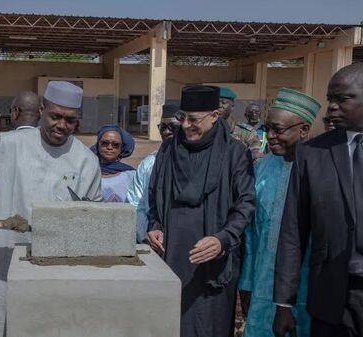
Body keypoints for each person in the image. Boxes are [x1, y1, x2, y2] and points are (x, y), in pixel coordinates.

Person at [0, 80, 102, 337]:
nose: (61, 125)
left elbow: (94, 218)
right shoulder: (9, 144)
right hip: (2, 261)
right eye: (55, 116)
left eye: (70, 120)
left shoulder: (86, 161)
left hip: (54, 269)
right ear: (42, 109)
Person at [146, 85, 255, 337]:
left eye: (194, 119)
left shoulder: (234, 152)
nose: (185, 125)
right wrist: (155, 225)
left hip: (213, 260)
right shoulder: (168, 150)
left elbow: (246, 203)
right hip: (172, 254)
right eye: (182, 117)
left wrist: (223, 238)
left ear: (215, 116)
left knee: (209, 326)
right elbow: (154, 195)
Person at [273, 63, 363, 337]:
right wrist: (283, 303)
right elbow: (292, 232)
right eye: (330, 99)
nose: (332, 107)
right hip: (332, 298)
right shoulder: (312, 153)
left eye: (342, 98)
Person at [238, 88, 321, 337]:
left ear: (303, 130)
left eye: (278, 130)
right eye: (267, 128)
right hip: (263, 283)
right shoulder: (260, 169)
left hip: (308, 287)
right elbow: (252, 235)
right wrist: (247, 284)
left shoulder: (322, 170)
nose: (270, 136)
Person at [127, 104, 180, 242]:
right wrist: (145, 235)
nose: (167, 132)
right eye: (162, 127)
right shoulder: (149, 163)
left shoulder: (196, 162)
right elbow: (135, 204)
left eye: (173, 127)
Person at [91, 124, 135, 202]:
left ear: (121, 148)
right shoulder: (88, 173)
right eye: (104, 143)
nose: (110, 147)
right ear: (98, 145)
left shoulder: (132, 176)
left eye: (115, 144)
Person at [219, 87, 262, 158]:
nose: (219, 106)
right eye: (216, 103)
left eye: (223, 103)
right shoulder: (206, 131)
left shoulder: (247, 133)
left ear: (232, 106)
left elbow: (257, 157)